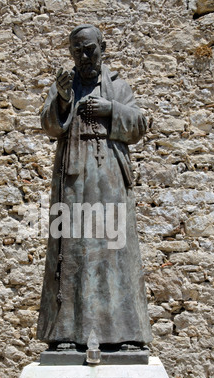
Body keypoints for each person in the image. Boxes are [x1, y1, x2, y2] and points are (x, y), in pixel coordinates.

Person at [37, 24, 153, 350]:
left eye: (90, 49)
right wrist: (61, 101)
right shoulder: (65, 86)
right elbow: (48, 125)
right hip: (73, 181)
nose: (85, 56)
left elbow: (140, 124)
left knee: (116, 254)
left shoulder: (117, 87)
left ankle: (124, 334)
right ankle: (64, 334)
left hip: (111, 179)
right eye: (77, 51)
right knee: (70, 253)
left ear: (102, 47)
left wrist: (110, 110)